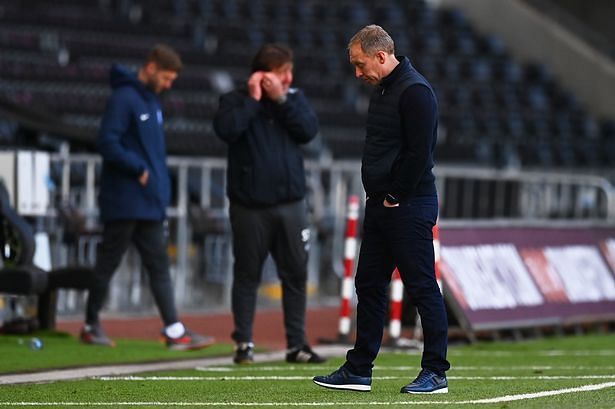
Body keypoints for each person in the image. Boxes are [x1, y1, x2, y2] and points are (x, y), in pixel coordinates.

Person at [313, 25, 450, 393]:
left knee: (421, 286)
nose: (357, 74)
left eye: (360, 65)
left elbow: (419, 153)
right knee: (368, 284)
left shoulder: (416, 91)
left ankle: (436, 371)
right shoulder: (386, 88)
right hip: (382, 205)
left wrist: (396, 195)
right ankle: (359, 369)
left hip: (407, 204)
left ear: (380, 55)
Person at [80, 44, 214, 351]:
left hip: (148, 203)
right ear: (151, 67)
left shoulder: (151, 101)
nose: (169, 85)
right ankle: (90, 324)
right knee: (108, 263)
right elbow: (107, 142)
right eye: (166, 78)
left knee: (158, 267)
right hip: (125, 201)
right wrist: (138, 169)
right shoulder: (123, 98)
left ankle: (174, 329)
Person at [213, 43, 326, 365]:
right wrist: (254, 101)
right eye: (281, 74)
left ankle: (297, 344)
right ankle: (244, 344)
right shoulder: (234, 101)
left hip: (291, 204)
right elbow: (227, 130)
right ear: (261, 75)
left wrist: (280, 99)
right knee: (247, 274)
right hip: (249, 207)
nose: (288, 79)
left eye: (289, 73)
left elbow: (308, 132)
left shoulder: (293, 100)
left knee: (296, 274)